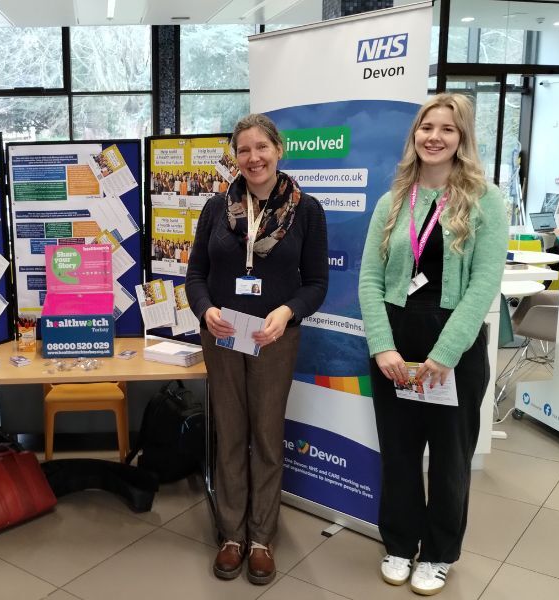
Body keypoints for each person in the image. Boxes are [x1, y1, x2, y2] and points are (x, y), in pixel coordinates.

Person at [358, 93, 508, 596]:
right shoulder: (394, 199)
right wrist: (382, 347)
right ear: (415, 136)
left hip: (455, 349)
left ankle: (439, 553)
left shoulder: (486, 200)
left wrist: (446, 355)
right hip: (394, 346)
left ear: (462, 138)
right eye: (426, 127)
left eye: (447, 128)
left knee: (449, 459)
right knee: (398, 454)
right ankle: (399, 543)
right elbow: (369, 281)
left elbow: (485, 283)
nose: (434, 137)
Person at [186, 113, 328, 585]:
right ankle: (232, 535)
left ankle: (262, 537)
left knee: (267, 437)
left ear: (278, 150)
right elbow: (196, 276)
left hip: (274, 338)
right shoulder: (216, 208)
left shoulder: (306, 211)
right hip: (224, 335)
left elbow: (317, 284)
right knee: (229, 433)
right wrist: (205, 309)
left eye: (261, 147)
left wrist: (287, 313)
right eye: (243, 150)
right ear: (235, 156)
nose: (253, 158)